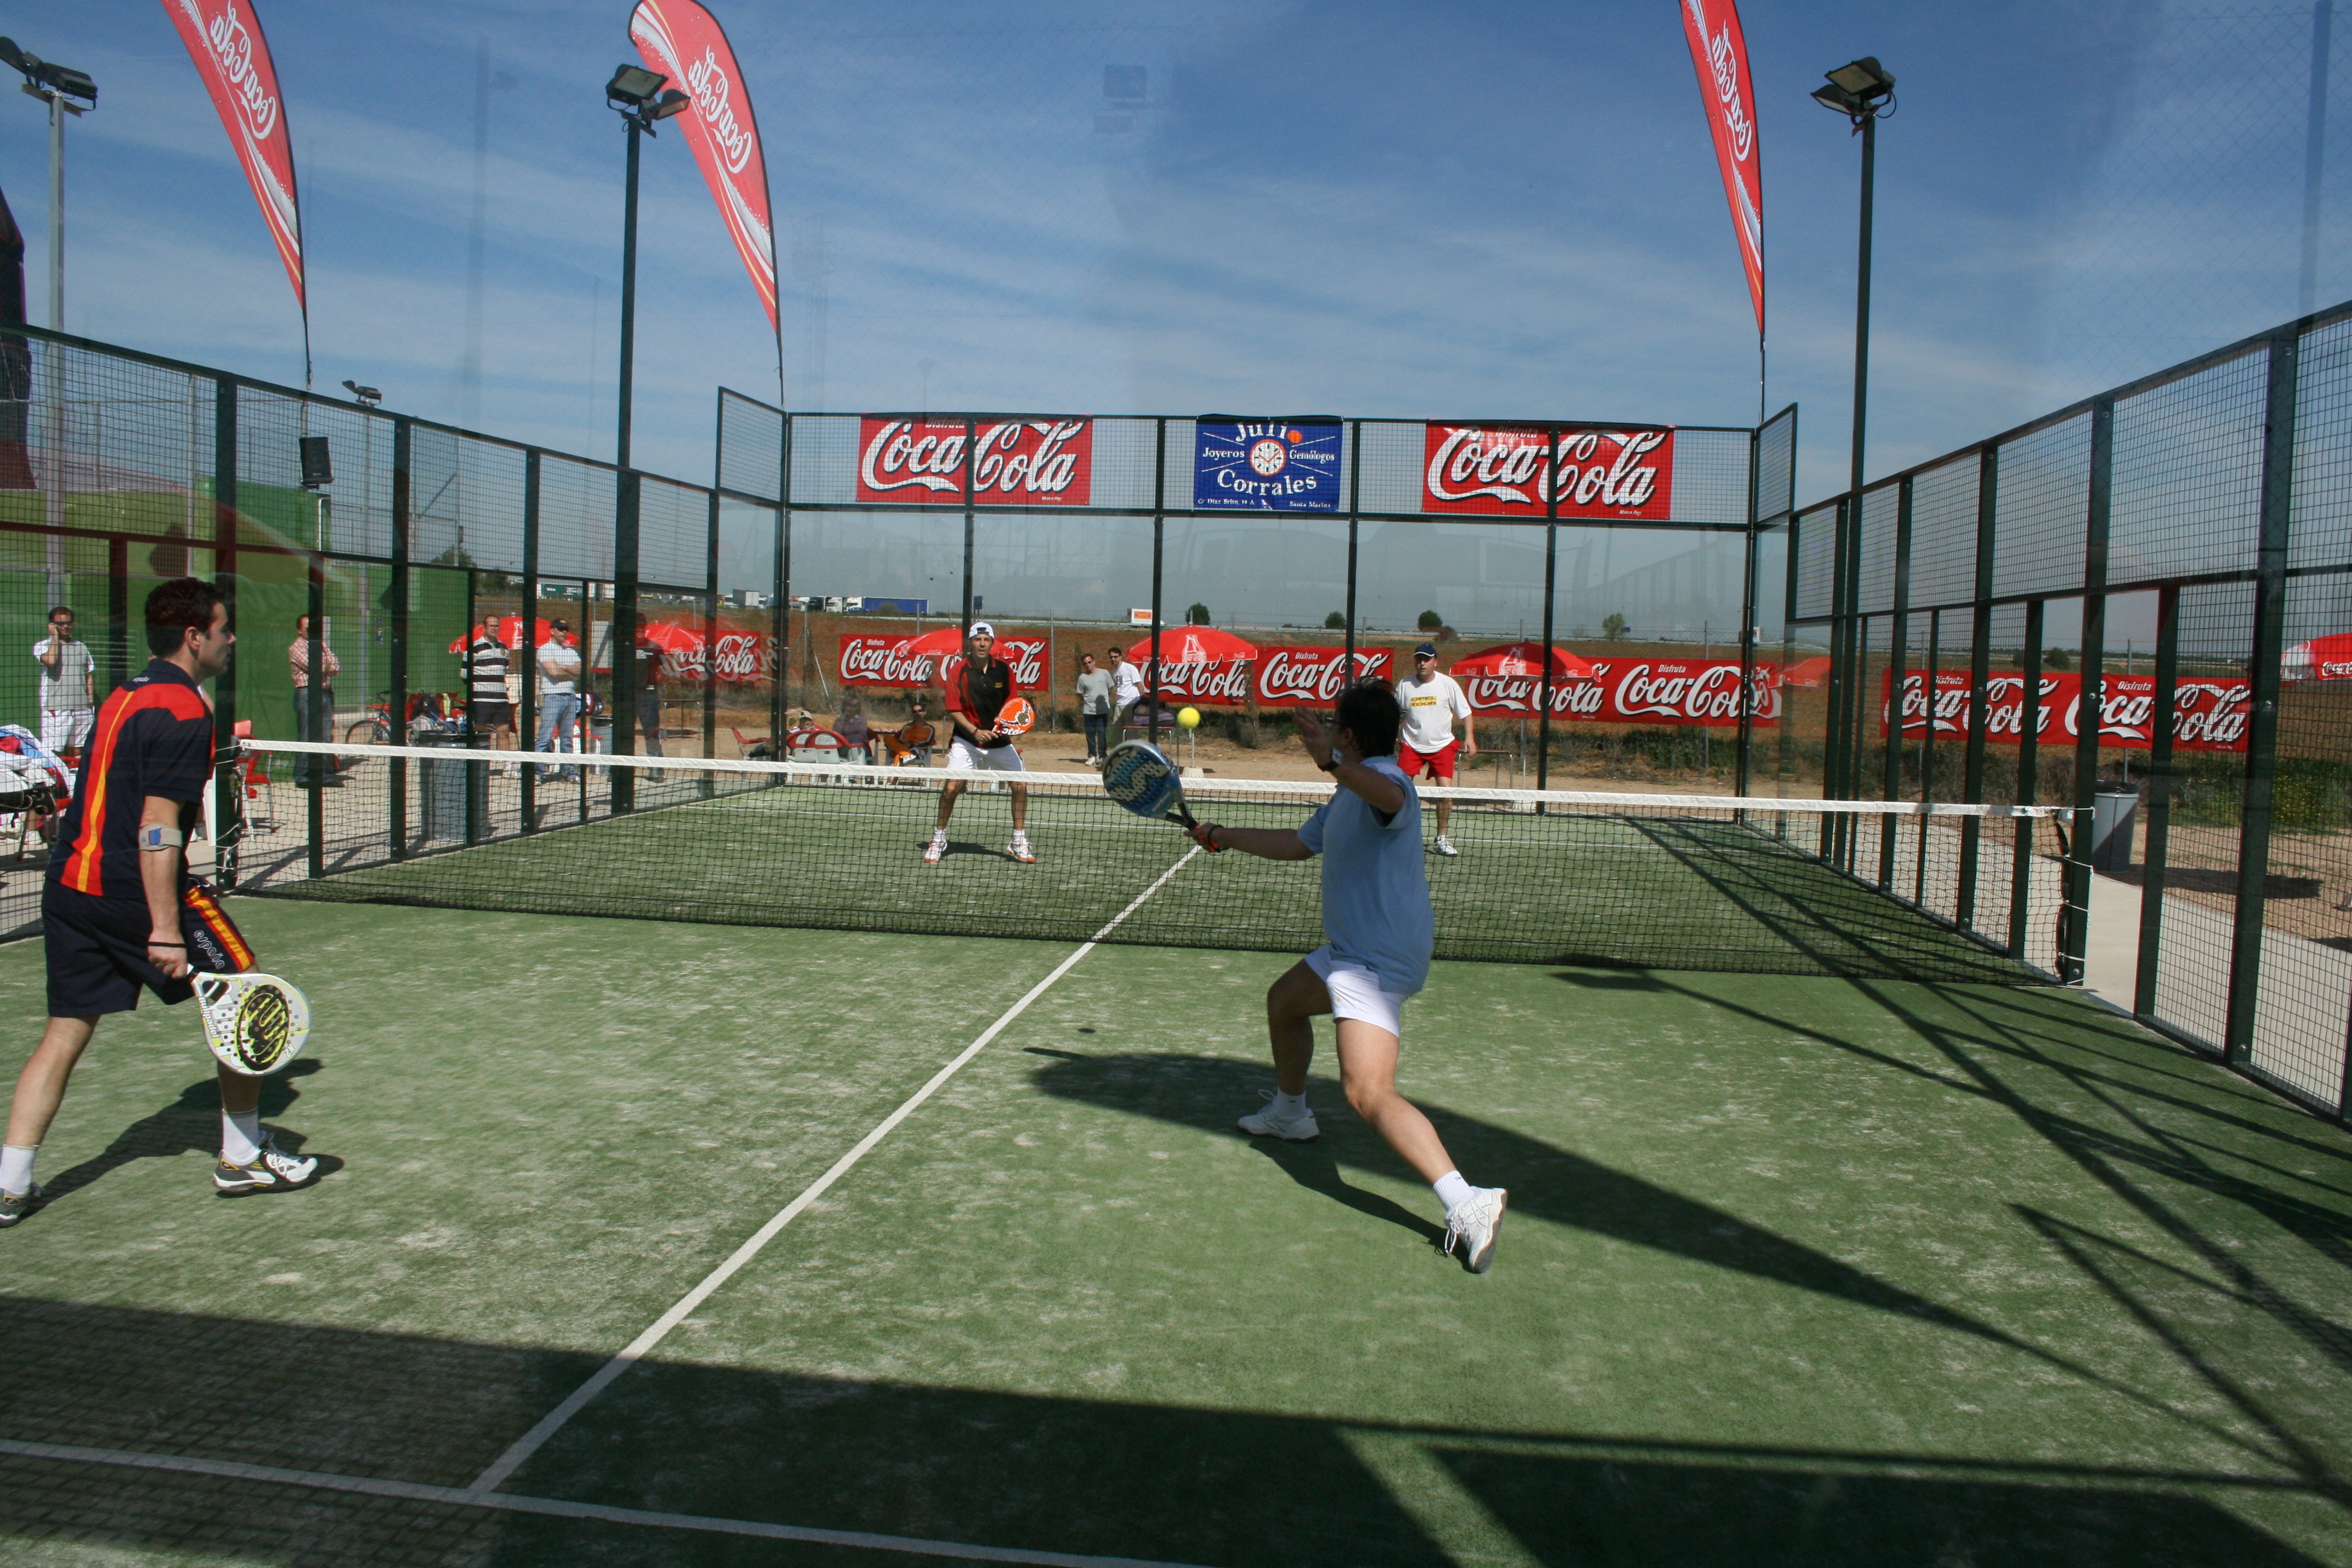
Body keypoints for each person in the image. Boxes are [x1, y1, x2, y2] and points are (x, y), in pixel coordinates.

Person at [2, 578, 322, 1227]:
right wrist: (166, 931)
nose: (232, 639)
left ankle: (10, 1185)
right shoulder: (183, 711)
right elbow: (157, 828)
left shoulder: (123, 694)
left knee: (65, 1031)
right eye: (224, 629)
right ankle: (242, 1156)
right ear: (194, 636)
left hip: (69, 887)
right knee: (244, 999)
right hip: (135, 892)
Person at [1185, 679, 1506, 1272]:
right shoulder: (1347, 796)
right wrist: (1223, 836)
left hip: (1375, 959)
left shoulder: (1389, 782)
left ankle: (1466, 1201)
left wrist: (1331, 761)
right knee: (1285, 1000)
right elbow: (1298, 844)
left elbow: (1389, 797)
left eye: (1336, 727)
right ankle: (1291, 1113)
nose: (1330, 733)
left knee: (1367, 1091)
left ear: (1350, 737)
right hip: (1352, 948)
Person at [925, 621, 1033, 866]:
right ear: (970, 643)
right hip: (967, 741)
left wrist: (1008, 729)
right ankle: (938, 839)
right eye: (977, 640)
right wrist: (975, 731)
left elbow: (1014, 708)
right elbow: (953, 709)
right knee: (951, 787)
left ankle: (1018, 840)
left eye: (986, 640)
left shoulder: (1004, 671)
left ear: (992, 643)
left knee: (1020, 786)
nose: (982, 644)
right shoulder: (958, 671)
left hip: (1000, 742)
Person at [1394, 641, 1476, 857]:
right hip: (1411, 745)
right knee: (1399, 792)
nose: (1422, 663)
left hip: (1442, 746)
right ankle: (1397, 836)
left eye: (1427, 659)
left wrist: (1469, 737)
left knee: (1445, 793)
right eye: (1419, 659)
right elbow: (1397, 714)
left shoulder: (1448, 684)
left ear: (1435, 662)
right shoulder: (1405, 685)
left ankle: (1441, 839)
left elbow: (1466, 712)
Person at [33, 606, 94, 765]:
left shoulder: (81, 647)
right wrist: (55, 637)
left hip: (82, 707)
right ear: (52, 625)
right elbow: (51, 661)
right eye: (60, 624)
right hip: (56, 707)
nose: (65, 627)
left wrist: (90, 700)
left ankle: (76, 777)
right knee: (54, 752)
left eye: (68, 623)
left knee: (78, 750)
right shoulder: (42, 646)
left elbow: (88, 674)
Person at [287, 613, 342, 788]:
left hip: (325, 694)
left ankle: (325, 776)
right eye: (309, 628)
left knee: (326, 735)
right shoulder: (296, 647)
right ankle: (303, 777)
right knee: (306, 735)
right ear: (299, 630)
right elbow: (314, 666)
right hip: (307, 694)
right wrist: (327, 665)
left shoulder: (321, 645)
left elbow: (337, 666)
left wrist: (325, 665)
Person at [466, 621, 517, 775]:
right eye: (491, 626)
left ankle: (508, 766)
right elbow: (464, 673)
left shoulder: (504, 648)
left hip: (501, 699)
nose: (494, 629)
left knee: (504, 731)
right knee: (479, 730)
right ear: (484, 628)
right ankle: (476, 765)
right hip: (481, 699)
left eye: (497, 626)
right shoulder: (474, 647)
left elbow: (504, 669)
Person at [535, 619, 581, 780]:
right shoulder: (544, 649)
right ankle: (537, 772)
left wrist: (562, 667)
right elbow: (554, 672)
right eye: (561, 629)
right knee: (545, 736)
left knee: (567, 738)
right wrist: (570, 672)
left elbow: (579, 670)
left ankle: (569, 772)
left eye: (565, 630)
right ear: (552, 631)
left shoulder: (570, 651)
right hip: (552, 697)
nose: (564, 632)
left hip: (570, 697)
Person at [632, 626, 665, 779]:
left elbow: (662, 672)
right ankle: (622, 768)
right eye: (636, 626)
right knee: (624, 734)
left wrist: (651, 684)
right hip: (628, 696)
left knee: (651, 732)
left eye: (642, 626)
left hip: (648, 696)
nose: (639, 630)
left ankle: (655, 768)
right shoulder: (623, 647)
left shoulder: (655, 648)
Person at [1074, 650, 1113, 765]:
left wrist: (1104, 700)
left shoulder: (1104, 673)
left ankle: (1103, 756)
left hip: (1102, 710)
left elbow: (1110, 688)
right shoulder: (1082, 678)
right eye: (1085, 664)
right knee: (1090, 734)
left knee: (1102, 733)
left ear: (1094, 662)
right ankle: (1092, 756)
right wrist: (1088, 700)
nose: (1088, 665)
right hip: (1089, 711)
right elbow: (1080, 693)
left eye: (1089, 662)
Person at [1111, 645, 1146, 743]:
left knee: (1131, 732)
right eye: (1111, 657)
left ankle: (1132, 750)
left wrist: (1143, 699)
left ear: (1120, 656)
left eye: (1115, 657)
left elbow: (1139, 684)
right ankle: (1120, 750)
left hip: (1131, 703)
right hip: (1119, 704)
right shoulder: (1114, 672)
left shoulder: (1130, 668)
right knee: (1117, 731)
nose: (1113, 659)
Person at [836, 695, 872, 765]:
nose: (852, 708)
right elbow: (836, 735)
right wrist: (843, 720)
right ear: (845, 706)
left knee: (856, 740)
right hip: (845, 747)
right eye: (849, 706)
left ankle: (859, 767)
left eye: (854, 706)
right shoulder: (840, 720)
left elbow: (862, 733)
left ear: (857, 707)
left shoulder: (862, 718)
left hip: (861, 746)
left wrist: (847, 737)